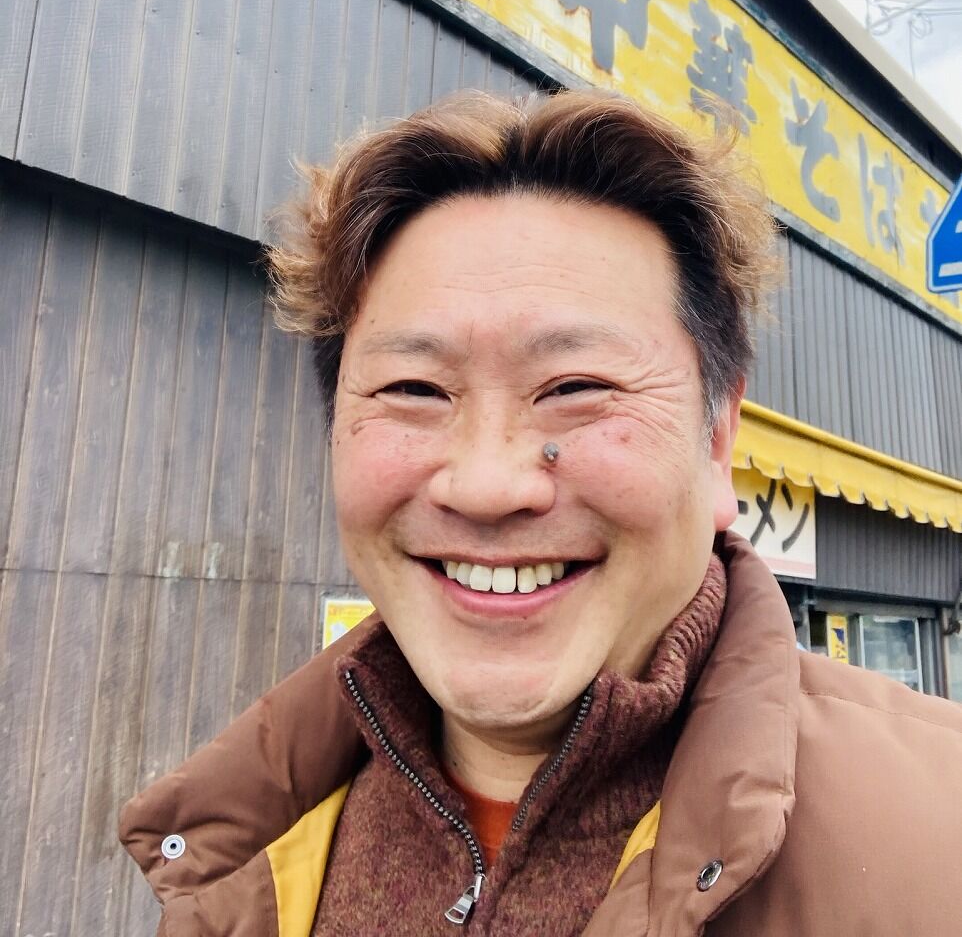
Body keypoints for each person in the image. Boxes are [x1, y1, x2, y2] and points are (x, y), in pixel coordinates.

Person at [120, 91, 962, 936]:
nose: (488, 486)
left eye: (576, 387)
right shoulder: (241, 864)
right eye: (415, 389)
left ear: (717, 440)